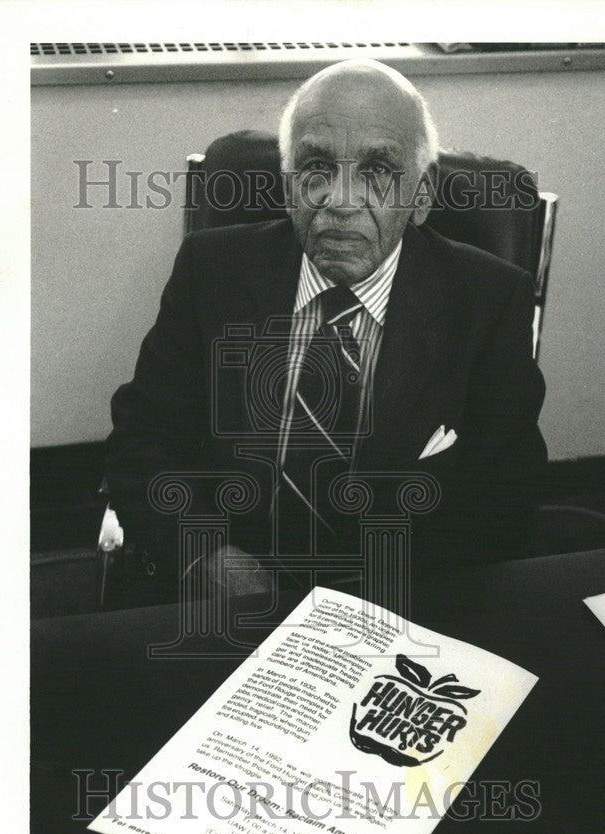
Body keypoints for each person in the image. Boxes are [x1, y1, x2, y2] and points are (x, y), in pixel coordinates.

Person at [105, 59, 547, 605]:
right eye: (315, 166)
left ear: (423, 194)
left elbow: (506, 499)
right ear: (288, 183)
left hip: (398, 609)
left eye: (377, 170)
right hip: (225, 601)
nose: (340, 200)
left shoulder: (488, 302)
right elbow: (141, 438)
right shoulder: (211, 269)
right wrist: (203, 555)